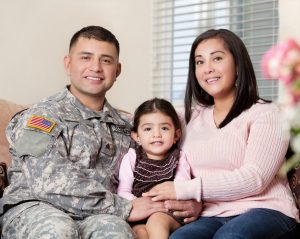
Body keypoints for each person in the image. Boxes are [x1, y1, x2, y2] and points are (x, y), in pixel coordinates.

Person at [0, 25, 171, 239]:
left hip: (98, 215)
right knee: (58, 230)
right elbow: (48, 182)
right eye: (86, 58)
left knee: (117, 233)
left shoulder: (128, 127)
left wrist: (179, 202)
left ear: (117, 70)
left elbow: (153, 170)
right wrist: (125, 208)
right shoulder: (41, 117)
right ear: (68, 64)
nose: (96, 67)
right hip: (36, 206)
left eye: (106, 60)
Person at [143, 29, 300, 239]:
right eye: (199, 62)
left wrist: (184, 190)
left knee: (230, 236)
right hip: (211, 214)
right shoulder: (187, 118)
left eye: (217, 58)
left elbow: (255, 178)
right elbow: (145, 123)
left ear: (237, 64)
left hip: (267, 209)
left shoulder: (266, 114)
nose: (207, 69)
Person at [117, 98, 198, 239]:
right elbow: (123, 191)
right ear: (137, 136)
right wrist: (139, 203)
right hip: (139, 210)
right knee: (140, 233)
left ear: (176, 135)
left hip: (168, 212)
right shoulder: (132, 157)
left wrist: (160, 205)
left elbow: (181, 188)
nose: (157, 134)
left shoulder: (178, 157)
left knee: (156, 221)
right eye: (148, 129)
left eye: (164, 128)